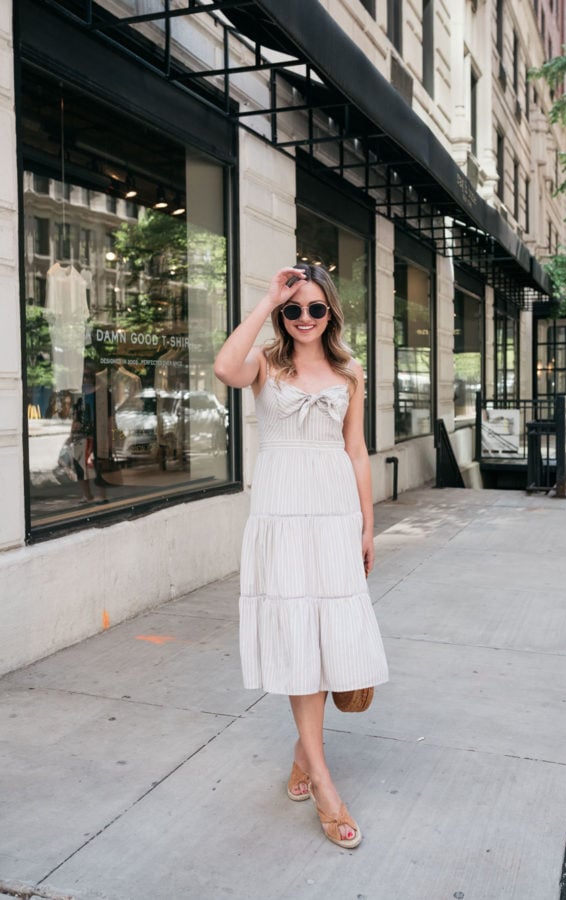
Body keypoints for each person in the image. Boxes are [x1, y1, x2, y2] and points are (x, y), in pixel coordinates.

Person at [214, 264, 388, 849]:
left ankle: (301, 755)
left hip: (335, 514)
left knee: (328, 638)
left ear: (331, 313)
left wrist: (367, 526)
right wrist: (267, 299)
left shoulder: (350, 370)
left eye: (316, 309)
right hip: (284, 515)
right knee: (297, 634)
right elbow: (222, 368)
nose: (305, 318)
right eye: (296, 309)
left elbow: (357, 450)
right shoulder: (266, 362)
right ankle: (323, 781)